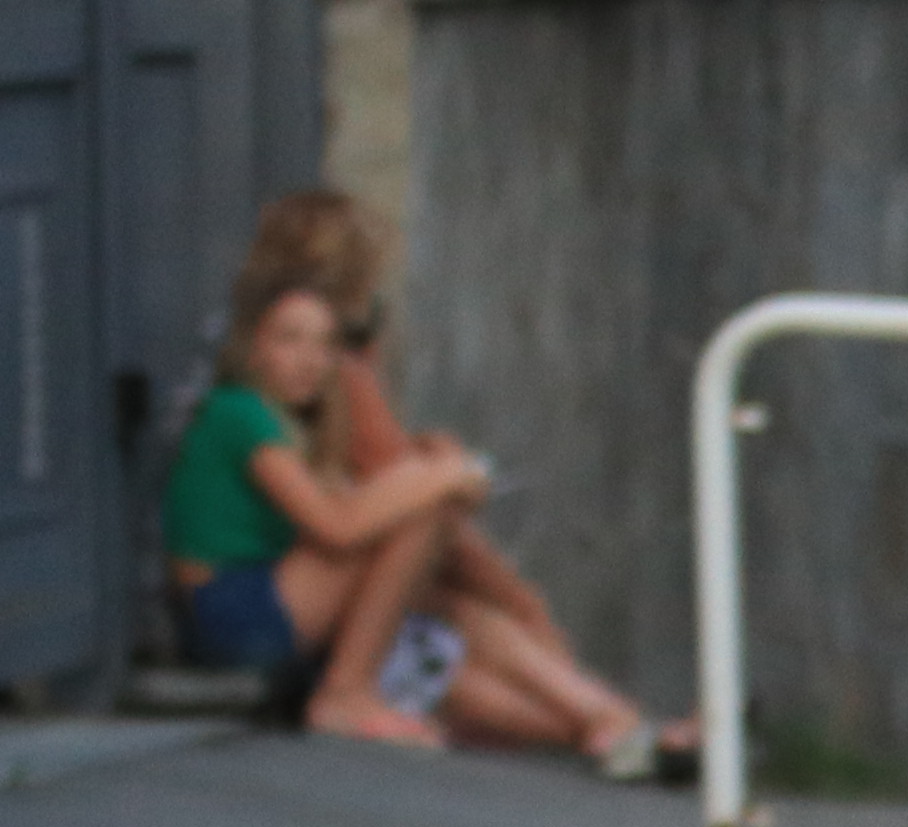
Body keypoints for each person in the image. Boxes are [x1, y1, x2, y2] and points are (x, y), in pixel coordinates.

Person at [228, 191, 688, 776]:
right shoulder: (334, 371)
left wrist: (425, 463)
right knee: (457, 618)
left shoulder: (265, 373)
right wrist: (518, 597)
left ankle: (628, 730)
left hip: (305, 614)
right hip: (307, 621)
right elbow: (391, 497)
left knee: (458, 657)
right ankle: (623, 724)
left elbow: (372, 473)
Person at [163, 271, 481, 745]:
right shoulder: (240, 412)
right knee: (422, 511)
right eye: (289, 340)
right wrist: (440, 476)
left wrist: (430, 470)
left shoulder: (291, 423)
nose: (309, 361)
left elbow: (348, 509)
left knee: (468, 662)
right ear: (251, 345)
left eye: (323, 345)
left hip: (263, 607)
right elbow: (336, 528)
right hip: (232, 612)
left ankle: (599, 726)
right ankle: (345, 695)